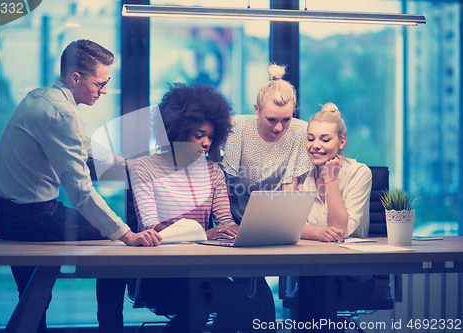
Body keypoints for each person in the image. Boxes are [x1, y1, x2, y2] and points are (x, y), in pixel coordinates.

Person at [0, 39, 161, 333]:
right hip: (32, 220)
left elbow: (82, 147)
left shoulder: (40, 97)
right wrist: (126, 234)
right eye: (100, 83)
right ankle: (111, 328)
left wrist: (125, 164)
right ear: (76, 78)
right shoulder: (65, 114)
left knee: (33, 300)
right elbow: (80, 191)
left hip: (4, 214)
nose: (104, 90)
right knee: (115, 244)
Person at [129, 82, 252, 333]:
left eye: (210, 136)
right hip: (159, 273)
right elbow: (151, 228)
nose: (207, 143)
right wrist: (203, 234)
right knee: (203, 303)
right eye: (199, 135)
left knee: (238, 301)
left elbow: (225, 220)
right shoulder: (144, 168)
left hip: (199, 271)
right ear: (177, 131)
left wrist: (234, 229)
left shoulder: (213, 172)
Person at [219, 64, 314, 331]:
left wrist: (282, 223)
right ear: (257, 109)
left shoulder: (299, 130)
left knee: (257, 285)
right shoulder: (239, 126)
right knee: (248, 285)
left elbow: (289, 184)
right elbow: (228, 181)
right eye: (271, 119)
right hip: (234, 214)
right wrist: (231, 222)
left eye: (286, 119)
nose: (279, 127)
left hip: (273, 215)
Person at [289, 102, 374, 332]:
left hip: (349, 274)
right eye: (310, 138)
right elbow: (289, 224)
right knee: (311, 288)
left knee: (314, 293)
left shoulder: (360, 173)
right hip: (308, 270)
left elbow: (340, 229)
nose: (315, 146)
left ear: (341, 142)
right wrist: (318, 233)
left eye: (325, 140)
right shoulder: (300, 173)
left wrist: (331, 179)